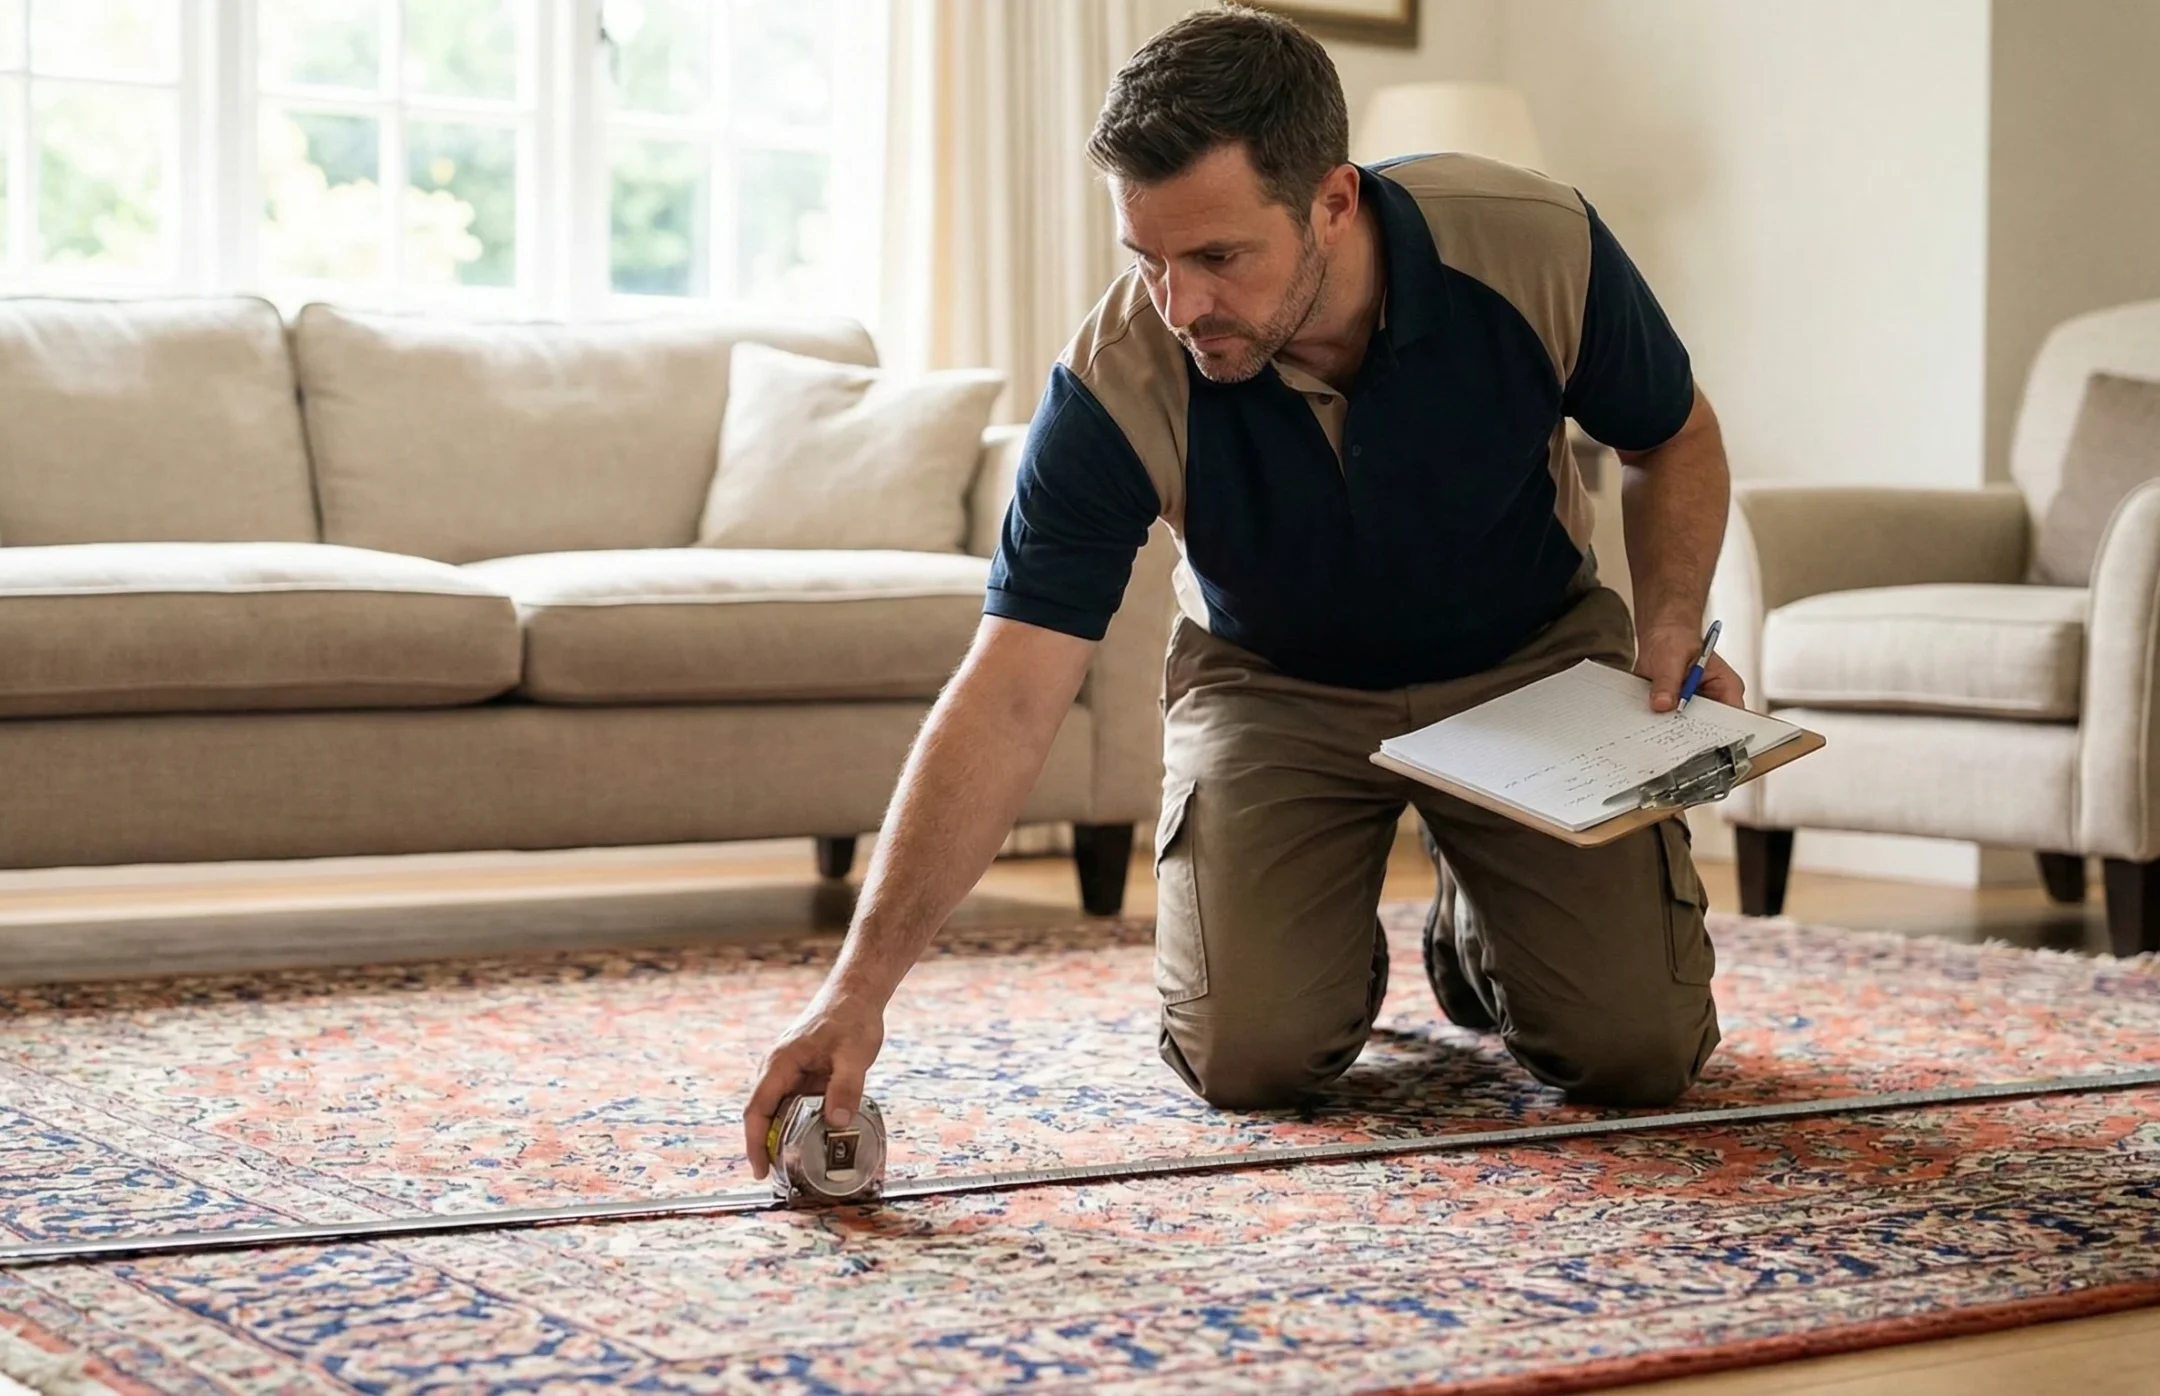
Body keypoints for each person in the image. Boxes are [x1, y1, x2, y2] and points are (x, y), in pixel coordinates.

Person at [742, 6, 1742, 1177]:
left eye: (1217, 257)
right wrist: (855, 990)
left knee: (1635, 1056)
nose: (1181, 305)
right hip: (1272, 685)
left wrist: (1670, 627)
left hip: (1526, 664)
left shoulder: (1536, 245)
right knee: (1251, 1058)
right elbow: (1011, 693)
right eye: (1148, 259)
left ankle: (1481, 925)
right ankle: (1314, 941)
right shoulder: (1116, 381)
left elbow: (1670, 435)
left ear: (1333, 199)